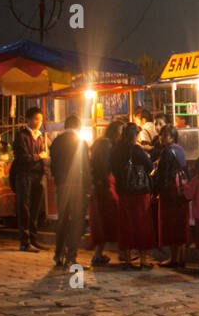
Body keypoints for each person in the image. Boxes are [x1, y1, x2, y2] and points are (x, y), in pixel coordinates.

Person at [112, 122, 155, 269]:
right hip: (140, 193)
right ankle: (143, 260)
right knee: (142, 225)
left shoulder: (117, 149)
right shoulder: (137, 150)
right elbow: (150, 167)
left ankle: (128, 260)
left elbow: (113, 168)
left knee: (126, 225)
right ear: (136, 136)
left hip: (124, 192)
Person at [49, 115, 91, 268]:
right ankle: (71, 256)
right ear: (79, 127)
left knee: (62, 220)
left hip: (62, 186)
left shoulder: (56, 142)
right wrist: (88, 186)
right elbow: (85, 167)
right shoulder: (80, 143)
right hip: (77, 186)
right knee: (76, 221)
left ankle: (58, 254)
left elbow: (52, 165)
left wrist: (58, 180)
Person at [10, 107, 48, 252]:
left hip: (37, 176)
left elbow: (43, 155)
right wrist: (38, 157)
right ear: (29, 119)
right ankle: (24, 241)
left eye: (41, 119)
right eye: (36, 119)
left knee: (35, 208)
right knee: (24, 208)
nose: (39, 122)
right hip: (24, 176)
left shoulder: (40, 137)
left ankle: (33, 238)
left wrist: (43, 170)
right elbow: (23, 157)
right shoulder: (22, 136)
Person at [88, 120, 123, 266]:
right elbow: (104, 166)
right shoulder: (106, 145)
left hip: (99, 186)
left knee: (102, 220)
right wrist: (106, 184)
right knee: (113, 217)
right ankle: (122, 252)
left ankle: (99, 253)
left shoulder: (100, 143)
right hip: (105, 186)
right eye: (121, 132)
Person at [154, 124, 190, 268]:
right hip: (181, 191)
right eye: (161, 135)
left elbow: (163, 174)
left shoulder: (167, 152)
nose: (162, 138)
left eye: (165, 135)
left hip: (170, 192)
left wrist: (156, 191)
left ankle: (173, 258)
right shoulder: (180, 150)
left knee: (170, 224)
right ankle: (181, 257)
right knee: (180, 224)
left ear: (172, 137)